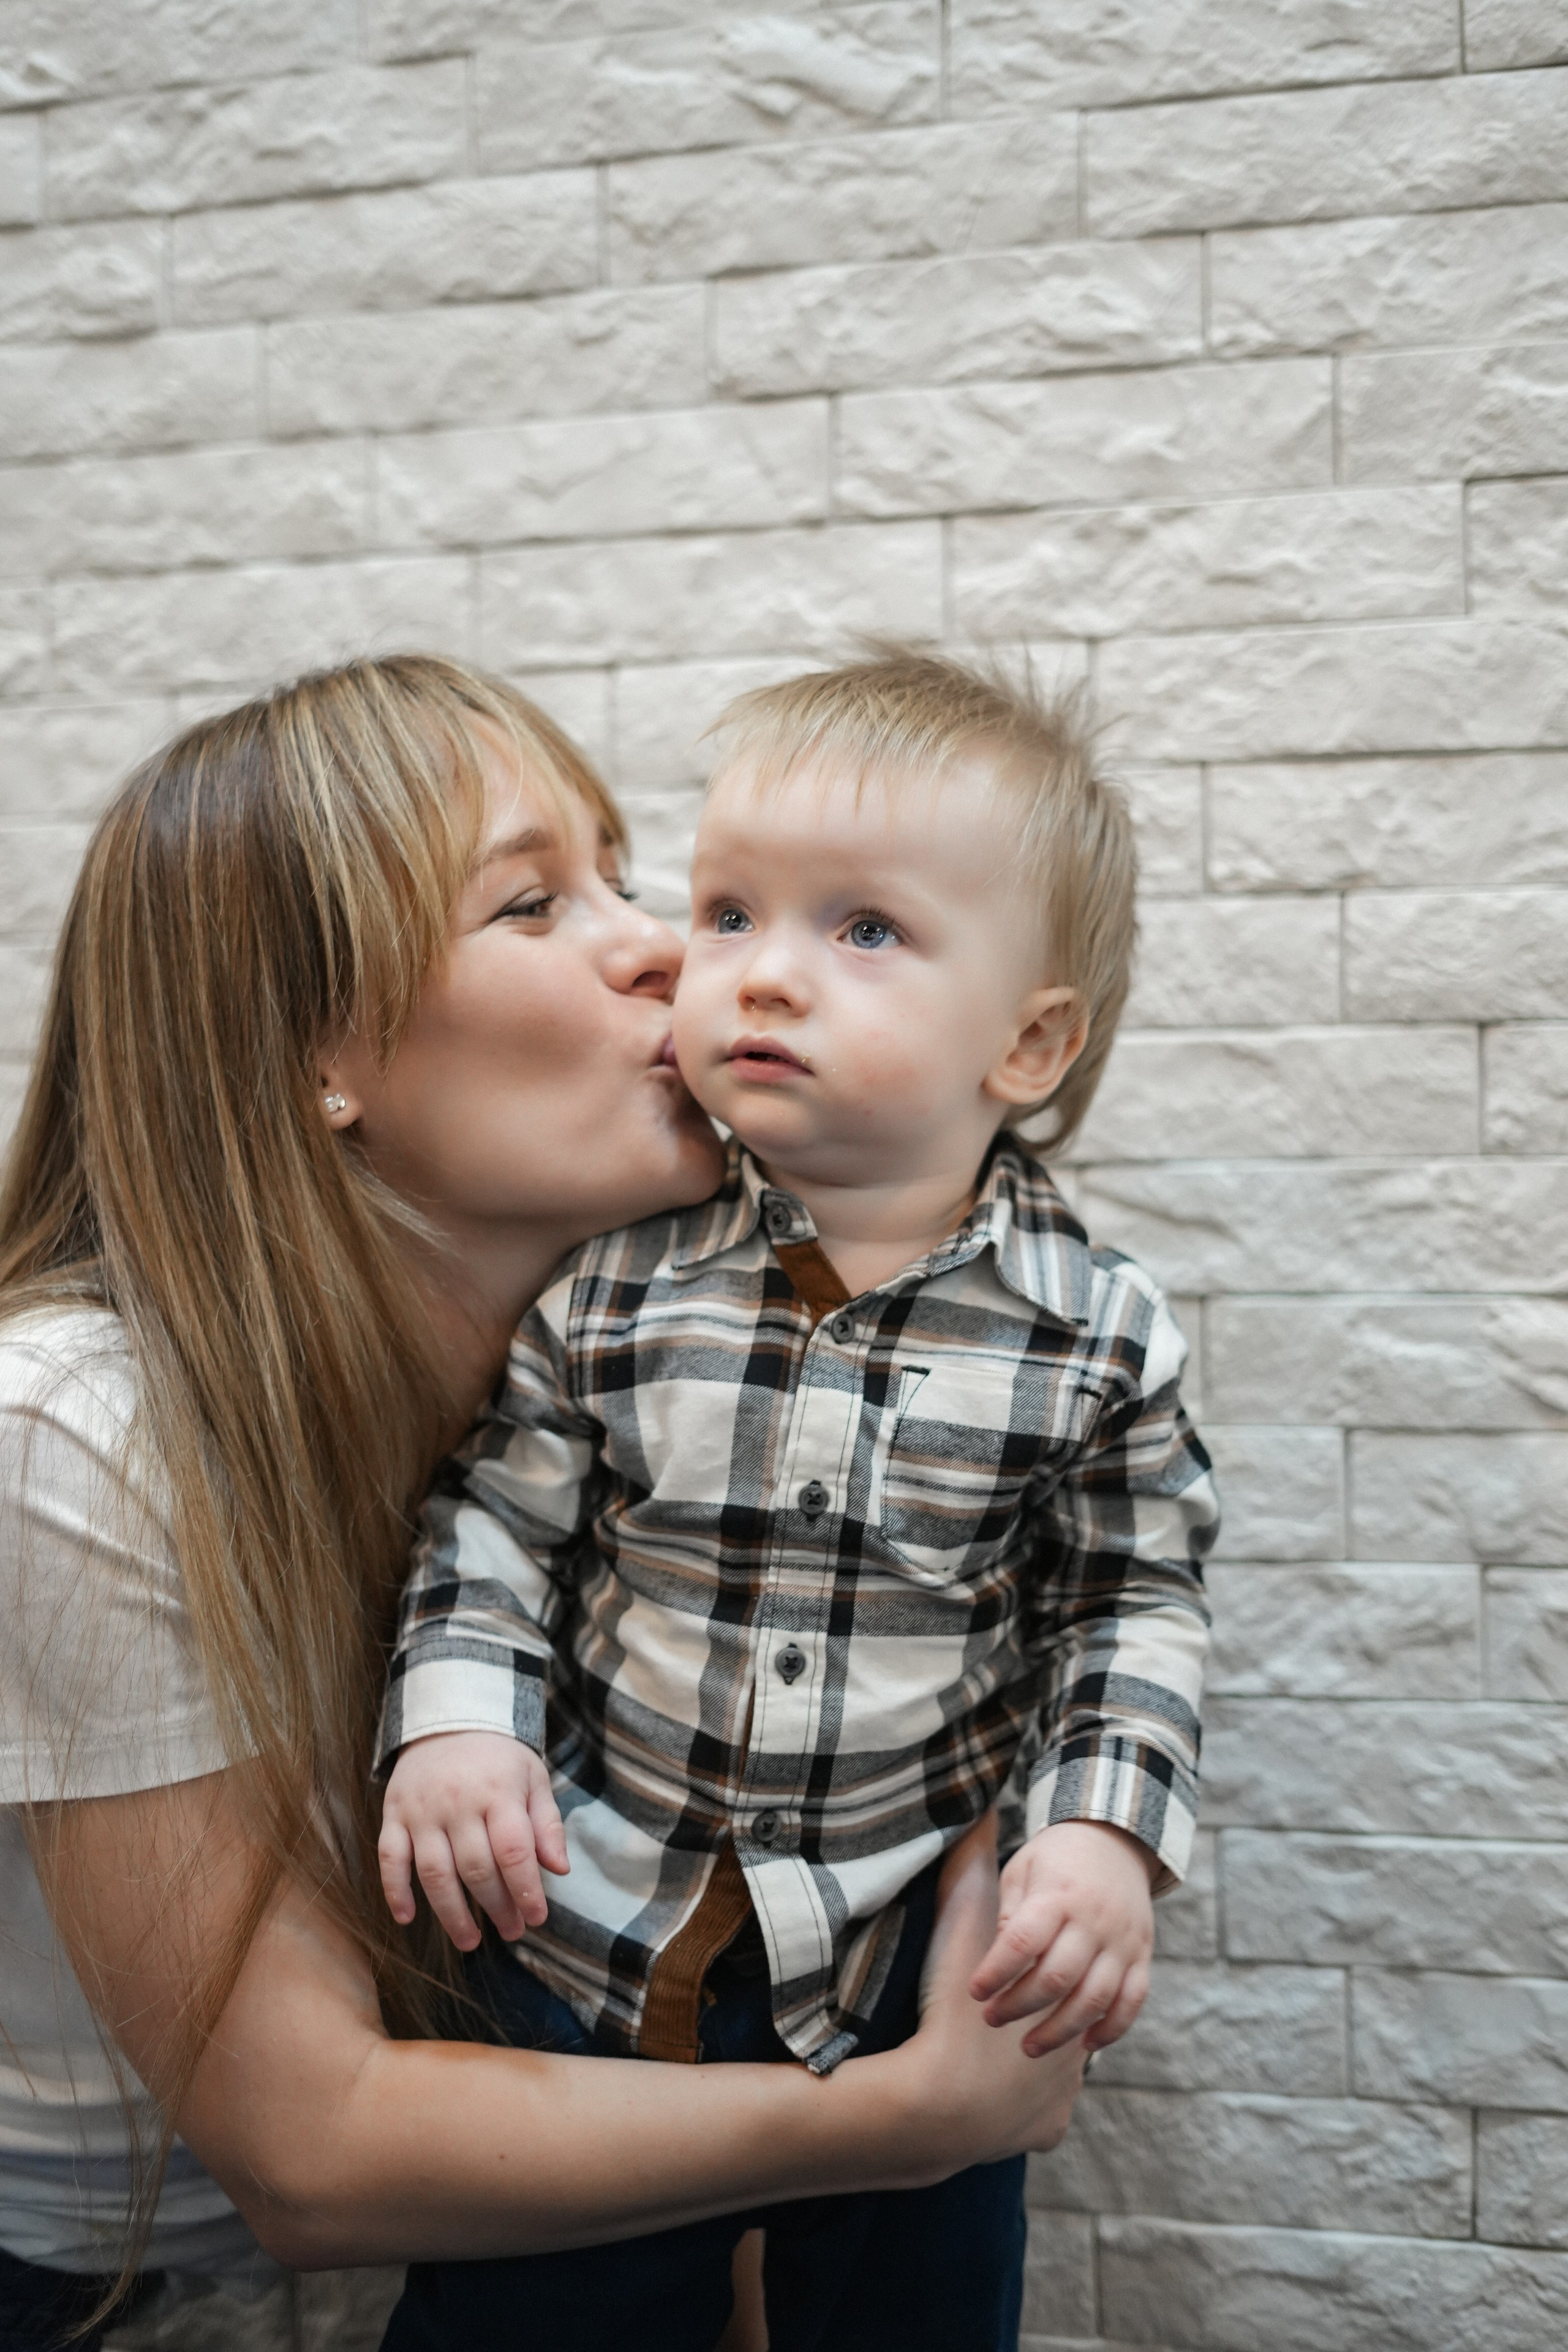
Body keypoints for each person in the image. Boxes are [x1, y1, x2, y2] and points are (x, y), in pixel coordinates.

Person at [0, 656, 1087, 2352]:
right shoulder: (72, 1427)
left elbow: (678, 1973)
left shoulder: (645, 1358)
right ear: (314, 1062)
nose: (665, 947)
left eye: (627, 872)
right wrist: (912, 2120)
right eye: (529, 903)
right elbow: (312, 2157)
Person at [376, 650, 1219, 2351]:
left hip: (914, 1971)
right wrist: (457, 1726)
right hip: (584, 1943)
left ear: (1029, 1040)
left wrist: (1105, 1832)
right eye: (732, 909)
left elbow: (1126, 1603)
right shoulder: (614, 1280)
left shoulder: (1095, 1331)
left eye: (865, 932)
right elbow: (499, 1522)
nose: (758, 975)